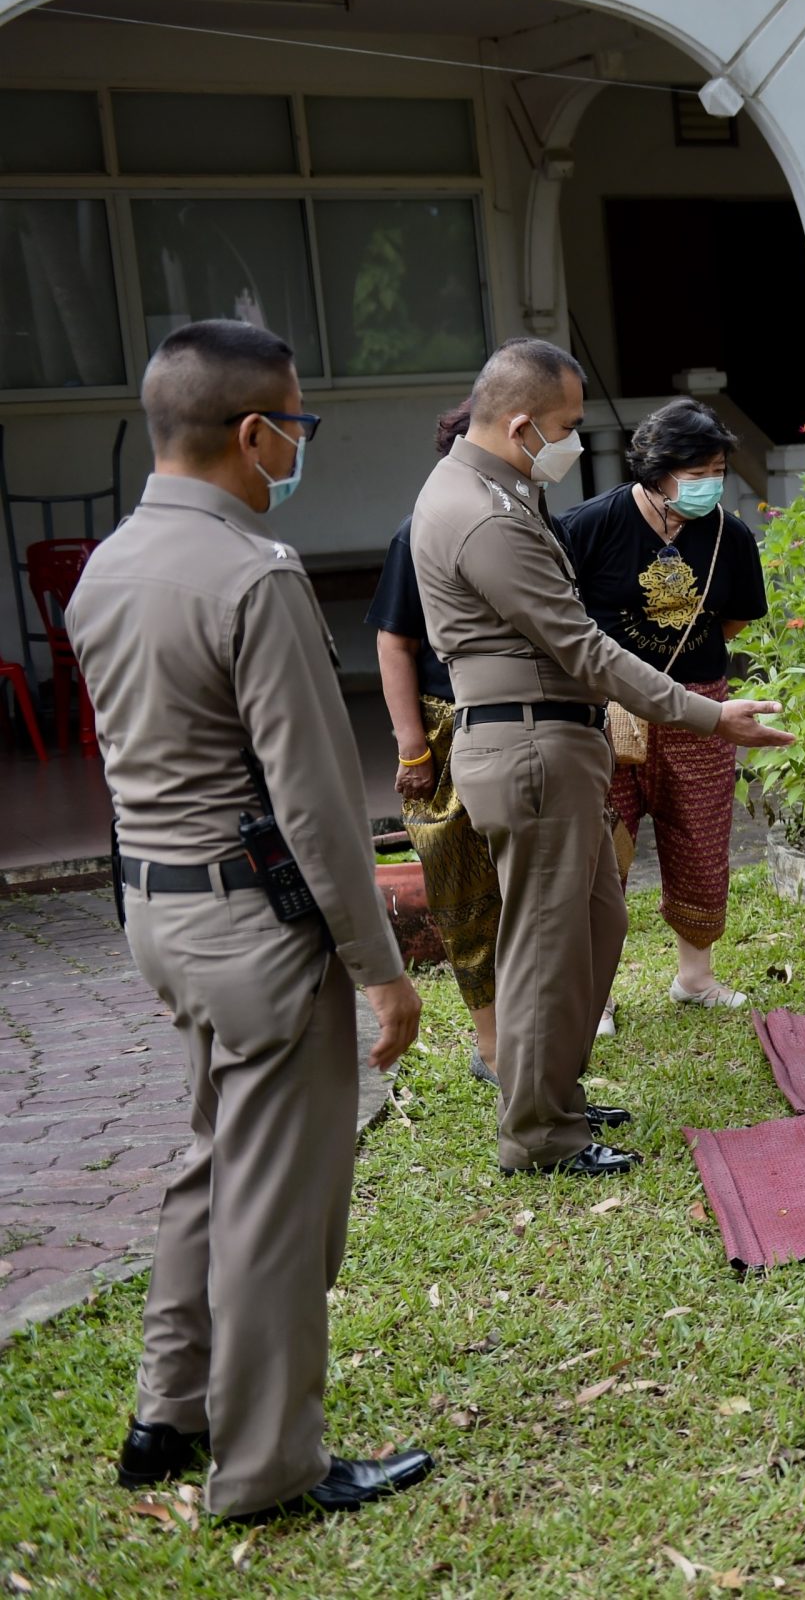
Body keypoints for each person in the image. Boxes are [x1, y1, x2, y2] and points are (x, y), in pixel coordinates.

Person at [65, 320, 432, 1521]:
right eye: (298, 423)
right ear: (254, 431)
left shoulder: (108, 566)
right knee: (279, 1207)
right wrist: (382, 969)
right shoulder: (252, 575)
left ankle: (168, 1414)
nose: (299, 445)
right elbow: (316, 803)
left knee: (213, 1162)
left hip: (158, 913)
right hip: (256, 927)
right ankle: (269, 1467)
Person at [408, 339, 792, 1178]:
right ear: (520, 424)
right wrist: (709, 715)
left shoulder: (493, 492)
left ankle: (555, 1093)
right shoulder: (484, 514)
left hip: (549, 737)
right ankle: (540, 1133)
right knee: (548, 945)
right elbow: (582, 647)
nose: (575, 442)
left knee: (595, 924)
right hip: (530, 741)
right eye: (566, 425)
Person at [557, 397, 770, 1009]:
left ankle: (695, 978)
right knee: (601, 847)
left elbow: (732, 622)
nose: (710, 484)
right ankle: (595, 995)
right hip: (606, 709)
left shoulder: (731, 536)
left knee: (701, 840)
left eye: (717, 472)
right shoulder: (587, 526)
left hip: (701, 707)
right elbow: (560, 618)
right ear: (656, 469)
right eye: (696, 472)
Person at [369, 405, 505, 1083]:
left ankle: (547, 1028)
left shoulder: (530, 524)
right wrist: (413, 748)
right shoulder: (418, 532)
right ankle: (494, 1045)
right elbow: (394, 642)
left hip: (526, 722)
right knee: (464, 889)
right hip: (449, 723)